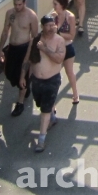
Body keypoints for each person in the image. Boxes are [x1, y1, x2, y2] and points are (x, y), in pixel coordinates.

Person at [20, 16, 66, 152]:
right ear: (42, 27)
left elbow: (59, 59)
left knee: (44, 111)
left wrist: (45, 49)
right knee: (40, 104)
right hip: (36, 80)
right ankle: (52, 116)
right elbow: (27, 59)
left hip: (52, 80)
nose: (51, 28)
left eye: (53, 25)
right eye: (48, 25)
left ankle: (41, 140)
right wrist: (23, 77)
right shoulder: (35, 40)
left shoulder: (59, 41)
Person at [0, 0, 38, 116]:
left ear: (24, 3)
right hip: (12, 48)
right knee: (10, 74)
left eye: (20, 4)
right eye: (15, 4)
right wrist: (0, 50)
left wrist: (31, 53)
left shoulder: (31, 16)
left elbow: (35, 37)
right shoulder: (10, 13)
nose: (17, 7)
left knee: (23, 75)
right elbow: (5, 31)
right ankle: (26, 86)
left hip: (24, 48)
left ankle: (20, 103)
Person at [50, 0, 80, 105]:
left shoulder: (70, 17)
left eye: (55, 4)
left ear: (62, 5)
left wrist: (58, 33)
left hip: (67, 47)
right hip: (56, 48)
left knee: (69, 72)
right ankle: (53, 102)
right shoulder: (53, 17)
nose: (54, 6)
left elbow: (71, 35)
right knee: (54, 74)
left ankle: (75, 94)